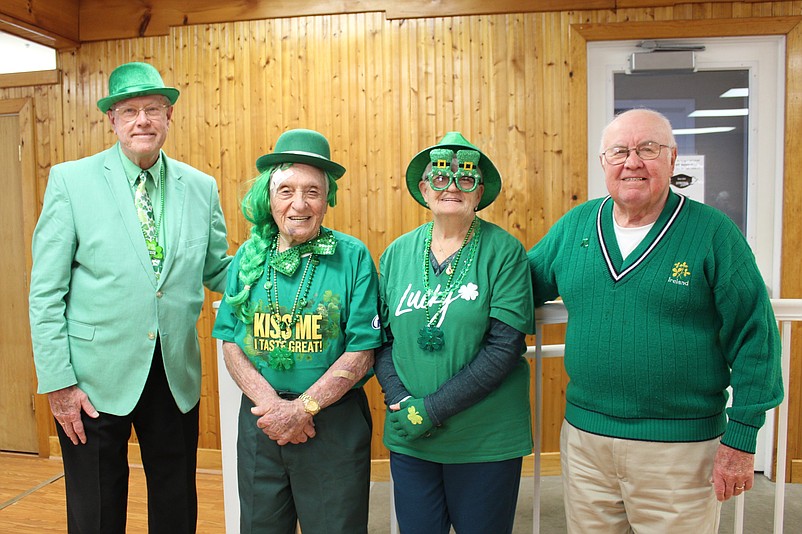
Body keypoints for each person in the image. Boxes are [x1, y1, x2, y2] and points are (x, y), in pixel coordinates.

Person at [527, 108, 783, 533]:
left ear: (672, 158)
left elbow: (756, 337)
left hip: (681, 451)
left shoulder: (713, 233)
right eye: (620, 151)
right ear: (604, 163)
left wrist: (742, 437)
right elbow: (518, 287)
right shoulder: (575, 227)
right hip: (586, 442)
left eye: (648, 149)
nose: (633, 162)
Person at [28, 61, 232, 533]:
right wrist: (59, 382)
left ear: (169, 117)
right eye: (131, 110)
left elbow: (219, 269)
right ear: (113, 120)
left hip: (173, 372)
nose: (143, 120)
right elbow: (45, 292)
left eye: (153, 109)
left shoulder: (200, 188)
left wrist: (280, 256)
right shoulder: (70, 182)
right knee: (95, 508)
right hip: (90, 379)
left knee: (176, 502)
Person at [212, 128, 382, 534]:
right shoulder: (247, 259)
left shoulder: (353, 255)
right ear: (269, 199)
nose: (299, 204)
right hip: (261, 422)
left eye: (312, 191)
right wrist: (274, 409)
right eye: (286, 190)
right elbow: (231, 342)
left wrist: (302, 409)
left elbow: (362, 351)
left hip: (333, 425)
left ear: (327, 200)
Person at [374, 132, 535, 534]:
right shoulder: (396, 253)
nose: (451, 188)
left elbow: (504, 347)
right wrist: (400, 401)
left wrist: (430, 410)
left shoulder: (505, 251)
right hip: (410, 433)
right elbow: (382, 340)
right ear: (424, 188)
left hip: (485, 440)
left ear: (479, 192)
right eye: (440, 178)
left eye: (465, 180)